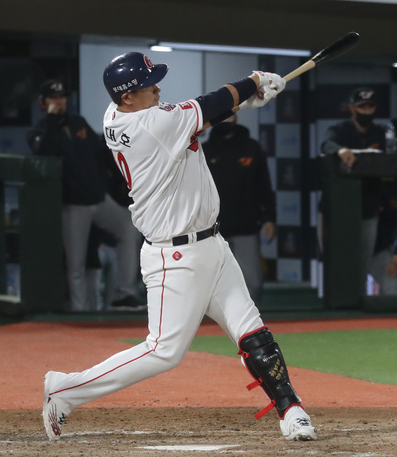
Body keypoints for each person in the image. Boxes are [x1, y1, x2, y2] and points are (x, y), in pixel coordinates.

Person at [42, 52, 317, 442]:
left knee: (252, 330)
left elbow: (200, 115)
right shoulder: (152, 123)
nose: (157, 88)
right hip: (176, 255)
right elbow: (205, 107)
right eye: (147, 84)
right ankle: (65, 390)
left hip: (212, 244)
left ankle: (291, 409)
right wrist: (254, 82)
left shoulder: (120, 115)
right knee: (163, 351)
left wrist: (241, 100)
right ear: (127, 98)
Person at [27, 80, 143, 311]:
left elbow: (101, 151)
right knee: (76, 264)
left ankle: (125, 293)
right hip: (73, 206)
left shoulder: (78, 122)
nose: (58, 102)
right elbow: (43, 151)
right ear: (42, 102)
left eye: (61, 97)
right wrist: (51, 120)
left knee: (129, 229)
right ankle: (79, 311)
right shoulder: (39, 130)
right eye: (52, 98)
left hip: (99, 199)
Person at [321, 87, 397, 295]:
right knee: (339, 262)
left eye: (370, 106)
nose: (366, 111)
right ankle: (337, 311)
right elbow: (326, 143)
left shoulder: (381, 133)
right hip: (339, 211)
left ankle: (358, 311)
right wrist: (340, 150)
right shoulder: (341, 130)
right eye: (362, 107)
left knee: (361, 262)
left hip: (369, 208)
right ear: (352, 108)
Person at [203, 114, 276, 305]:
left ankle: (251, 327)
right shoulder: (204, 150)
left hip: (246, 226)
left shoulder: (251, 147)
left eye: (230, 114)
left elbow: (264, 185)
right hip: (212, 230)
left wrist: (270, 218)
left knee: (252, 283)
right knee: (208, 285)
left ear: (236, 117)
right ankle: (211, 330)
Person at [370, 185, 397, 295]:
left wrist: (396, 259)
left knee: (392, 289)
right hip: (354, 248)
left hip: (381, 249)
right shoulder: (366, 185)